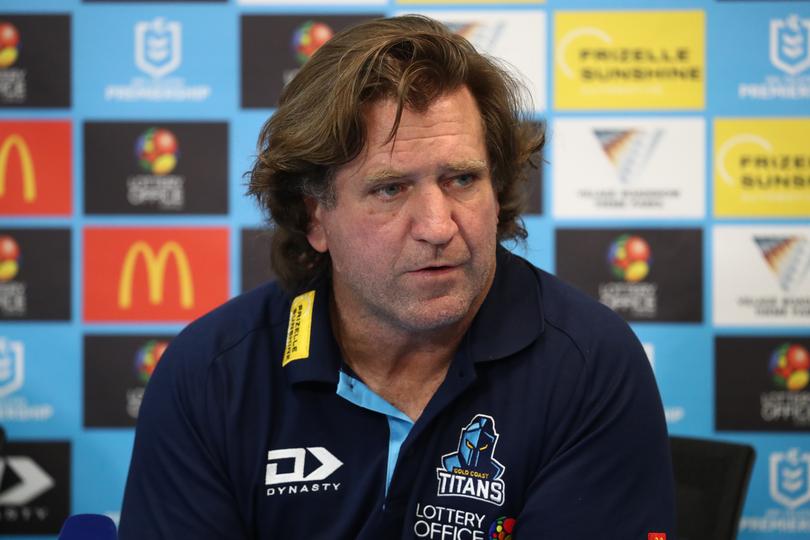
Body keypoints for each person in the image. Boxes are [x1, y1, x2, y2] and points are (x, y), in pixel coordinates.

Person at [119, 15, 675, 539]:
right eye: (390, 189)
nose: (437, 226)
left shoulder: (591, 365)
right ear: (316, 216)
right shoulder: (211, 375)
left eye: (461, 179)